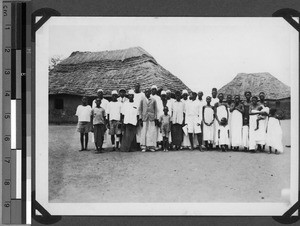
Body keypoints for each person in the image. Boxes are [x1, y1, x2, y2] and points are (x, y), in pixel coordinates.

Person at [151, 85, 163, 150]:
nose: (154, 91)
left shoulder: (158, 98)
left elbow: (160, 109)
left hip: (157, 116)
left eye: (155, 89)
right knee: (151, 131)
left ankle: (157, 144)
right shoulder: (149, 97)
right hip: (151, 117)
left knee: (157, 131)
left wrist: (158, 118)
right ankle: (151, 145)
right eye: (152, 89)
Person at [134, 83, 145, 150]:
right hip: (134, 114)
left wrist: (141, 116)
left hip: (140, 114)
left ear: (139, 87)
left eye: (138, 87)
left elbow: (143, 105)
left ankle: (141, 144)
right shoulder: (133, 94)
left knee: (140, 130)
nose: (137, 88)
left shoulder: (142, 95)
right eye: (136, 87)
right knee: (135, 130)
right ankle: (136, 144)